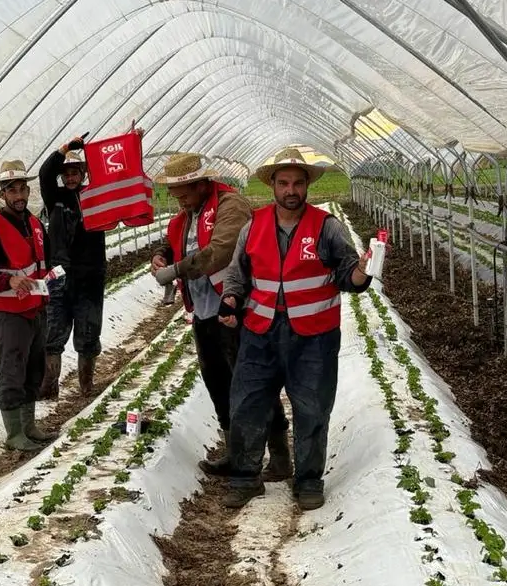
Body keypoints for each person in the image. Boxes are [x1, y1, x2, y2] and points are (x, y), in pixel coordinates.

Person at [220, 148, 374, 511]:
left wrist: (362, 271)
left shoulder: (326, 227)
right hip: (260, 333)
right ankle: (245, 477)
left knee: (312, 407)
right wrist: (230, 300)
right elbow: (237, 274)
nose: (291, 190)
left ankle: (308, 480)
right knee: (246, 404)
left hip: (314, 337)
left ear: (307, 187)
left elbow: (347, 273)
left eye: (298, 183)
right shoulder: (253, 226)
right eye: (284, 182)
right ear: (272, 186)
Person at [145, 153, 281, 478]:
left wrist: (177, 270)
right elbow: (174, 240)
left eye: (184, 192)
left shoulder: (230, 206)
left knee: (250, 382)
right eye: (175, 193)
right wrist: (161, 255)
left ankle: (278, 457)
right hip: (205, 311)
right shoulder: (188, 213)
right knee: (218, 381)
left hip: (237, 309)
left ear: (202, 183)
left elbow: (221, 252)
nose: (180, 199)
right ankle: (237, 452)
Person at [0, 160, 61, 452]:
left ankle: (29, 426)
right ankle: (14, 434)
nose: (19, 196)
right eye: (13, 191)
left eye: (23, 189)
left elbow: (44, 261)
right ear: (3, 195)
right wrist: (7, 282)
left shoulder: (34, 224)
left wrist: (53, 278)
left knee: (34, 368)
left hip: (36, 307)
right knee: (12, 369)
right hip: (9, 313)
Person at [37, 136, 107, 399]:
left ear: (82, 174)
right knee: (54, 330)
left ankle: (86, 386)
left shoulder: (95, 196)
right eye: (66, 173)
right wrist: (66, 149)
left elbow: (112, 174)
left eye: (75, 172)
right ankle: (49, 385)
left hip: (91, 274)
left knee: (89, 332)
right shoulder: (55, 197)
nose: (70, 178)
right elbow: (45, 172)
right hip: (61, 275)